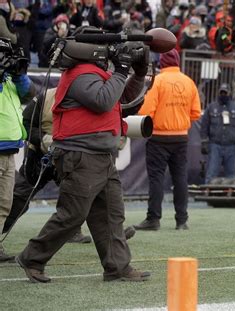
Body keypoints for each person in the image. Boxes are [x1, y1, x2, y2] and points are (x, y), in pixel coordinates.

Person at [16, 26, 150, 283]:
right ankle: (32, 258)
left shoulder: (92, 72)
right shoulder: (79, 73)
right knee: (72, 214)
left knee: (111, 214)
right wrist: (122, 69)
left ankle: (117, 267)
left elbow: (123, 99)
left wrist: (138, 73)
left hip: (99, 155)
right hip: (82, 155)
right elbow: (102, 100)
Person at [2, 88, 136, 244]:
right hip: (41, 156)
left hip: (71, 156)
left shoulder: (92, 97)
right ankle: (1, 232)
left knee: (84, 196)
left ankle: (110, 233)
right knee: (19, 198)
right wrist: (43, 139)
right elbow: (26, 123)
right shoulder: (46, 97)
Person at [134, 48, 201, 231]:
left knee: (156, 179)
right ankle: (181, 221)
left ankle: (153, 219)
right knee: (180, 179)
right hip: (181, 138)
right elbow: (195, 113)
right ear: (177, 60)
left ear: (161, 62)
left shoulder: (158, 81)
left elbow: (146, 111)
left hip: (159, 138)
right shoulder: (188, 82)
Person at [0, 37, 35, 262]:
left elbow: (29, 94)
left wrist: (19, 72)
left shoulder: (11, 79)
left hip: (10, 150)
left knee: (4, 203)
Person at [200, 83, 235, 184]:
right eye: (221, 92)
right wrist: (204, 141)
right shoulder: (211, 108)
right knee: (211, 173)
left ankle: (229, 196)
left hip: (232, 146)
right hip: (215, 145)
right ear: (218, 93)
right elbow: (204, 126)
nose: (223, 94)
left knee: (231, 175)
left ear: (230, 93)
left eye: (225, 92)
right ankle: (208, 194)